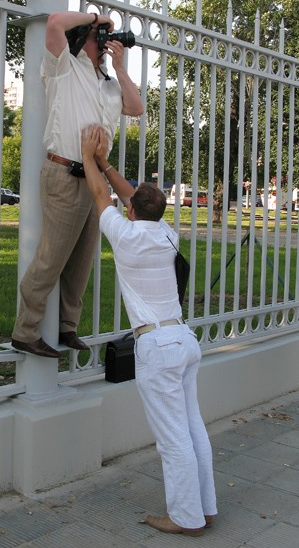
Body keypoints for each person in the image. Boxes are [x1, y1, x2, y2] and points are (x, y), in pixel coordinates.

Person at [80, 124, 217, 537]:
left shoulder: (125, 236)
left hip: (156, 346)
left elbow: (104, 196)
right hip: (184, 341)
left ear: (134, 211)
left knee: (173, 439)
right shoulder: (168, 234)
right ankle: (204, 508)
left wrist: (90, 157)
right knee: (193, 430)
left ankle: (185, 517)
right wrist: (105, 163)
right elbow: (126, 196)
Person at [11, 11, 143, 358]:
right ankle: (25, 330)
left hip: (95, 180)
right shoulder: (63, 68)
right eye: (99, 36)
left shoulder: (110, 83)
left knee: (82, 260)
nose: (105, 41)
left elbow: (137, 107)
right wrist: (95, 17)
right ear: (84, 35)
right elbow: (54, 23)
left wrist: (120, 66)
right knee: (51, 257)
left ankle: (66, 326)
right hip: (64, 173)